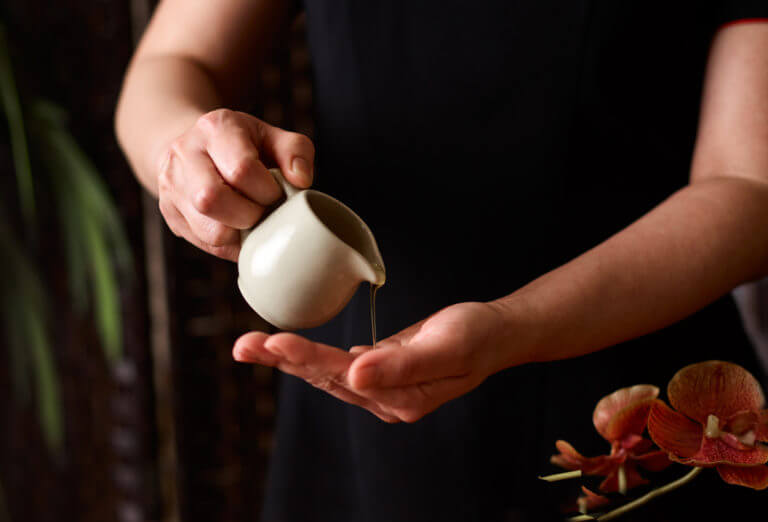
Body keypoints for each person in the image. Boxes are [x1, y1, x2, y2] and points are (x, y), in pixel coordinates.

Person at [116, 1, 768, 520]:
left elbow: (750, 188)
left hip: (644, 395)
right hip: (358, 395)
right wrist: (184, 153)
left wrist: (515, 325)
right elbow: (174, 59)